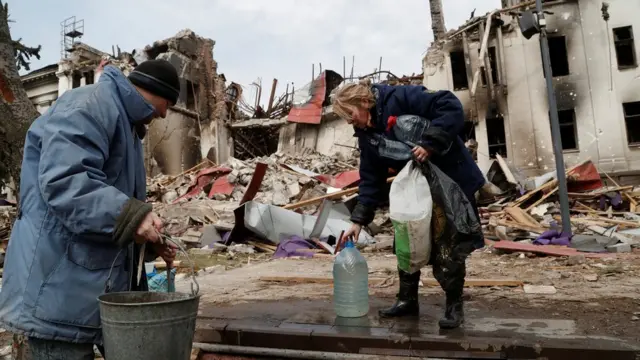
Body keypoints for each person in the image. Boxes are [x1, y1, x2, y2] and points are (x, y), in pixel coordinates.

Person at [0, 59, 181, 359]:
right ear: (157, 92)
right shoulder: (91, 105)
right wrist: (132, 217)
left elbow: (107, 214)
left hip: (89, 290)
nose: (165, 113)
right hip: (58, 292)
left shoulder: (127, 124)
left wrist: (148, 241)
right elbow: (66, 182)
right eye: (168, 104)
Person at [333, 79, 485, 329]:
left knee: (450, 245)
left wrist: (430, 143)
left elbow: (450, 105)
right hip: (415, 191)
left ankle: (453, 306)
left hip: (450, 184)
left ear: (363, 102)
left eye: (350, 114)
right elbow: (371, 177)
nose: (350, 121)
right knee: (407, 239)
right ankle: (407, 300)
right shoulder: (366, 135)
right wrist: (358, 221)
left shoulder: (401, 98)